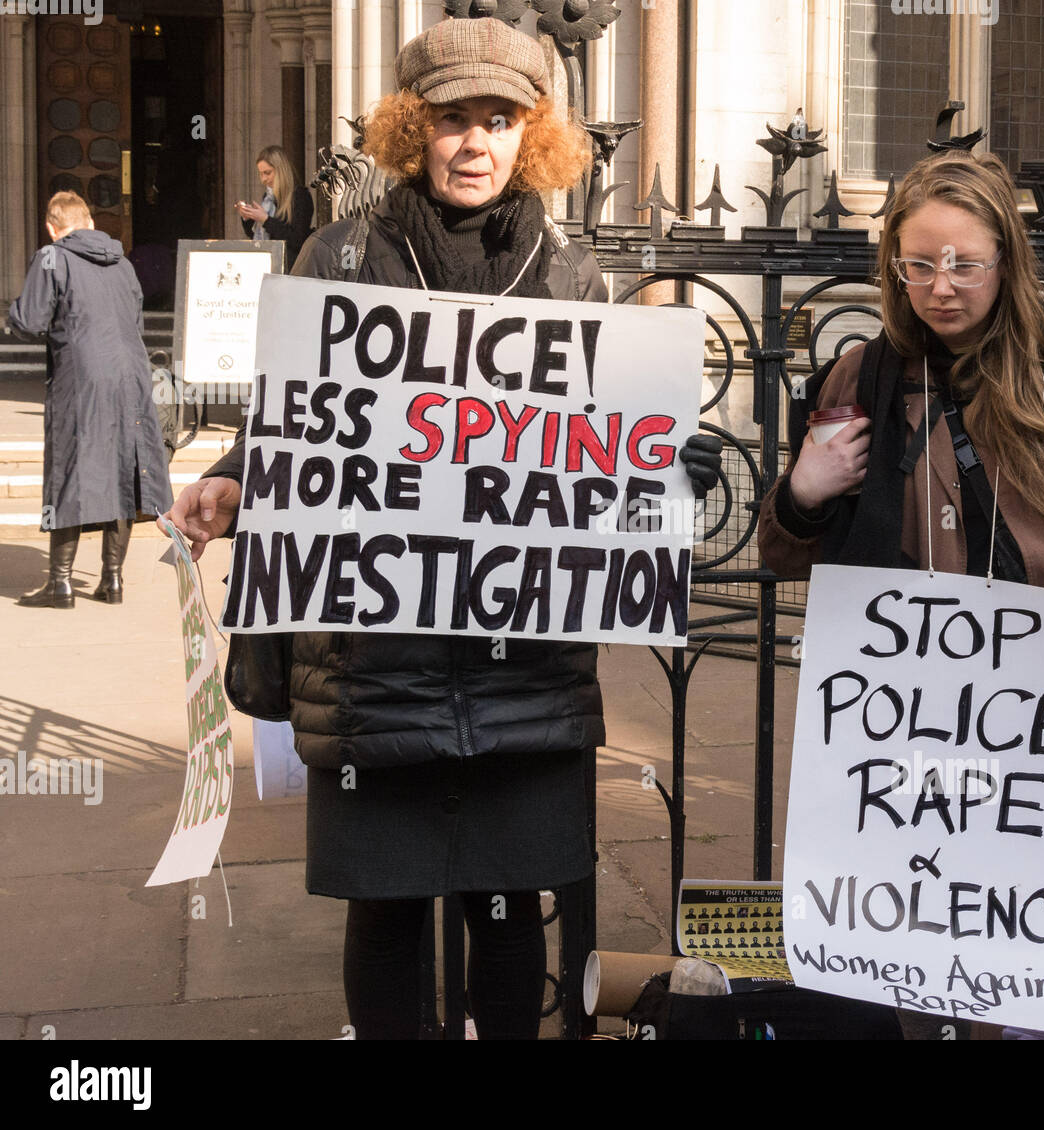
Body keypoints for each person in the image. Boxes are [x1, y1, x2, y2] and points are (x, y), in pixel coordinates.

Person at [161, 17, 720, 1040]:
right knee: (385, 911)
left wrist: (664, 475)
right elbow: (295, 418)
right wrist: (238, 478)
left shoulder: (573, 275)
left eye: (498, 119)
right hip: (376, 659)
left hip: (522, 663)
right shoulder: (338, 255)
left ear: (530, 135)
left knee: (508, 914)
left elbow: (618, 455)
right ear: (411, 130)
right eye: (452, 118)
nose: (474, 143)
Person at [756, 150, 1044, 1040]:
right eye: (917, 264)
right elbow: (790, 555)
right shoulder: (860, 380)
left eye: (964, 262)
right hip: (913, 742)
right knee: (930, 985)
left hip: (1039, 738)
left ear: (1007, 260)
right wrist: (802, 489)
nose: (940, 286)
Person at [8, 191, 174, 608]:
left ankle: (60, 584)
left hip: (80, 377)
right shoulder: (123, 264)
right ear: (91, 224)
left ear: (52, 227)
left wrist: (14, 314)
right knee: (126, 470)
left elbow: (30, 320)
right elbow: (133, 320)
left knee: (70, 468)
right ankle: (112, 580)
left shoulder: (53, 257)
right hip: (131, 376)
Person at [237, 144, 314, 270]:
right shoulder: (268, 198)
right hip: (268, 264)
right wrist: (248, 218)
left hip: (291, 268)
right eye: (261, 174)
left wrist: (265, 220)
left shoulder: (300, 196)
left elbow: (297, 239)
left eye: (267, 173)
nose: (263, 179)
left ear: (281, 170)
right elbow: (258, 238)